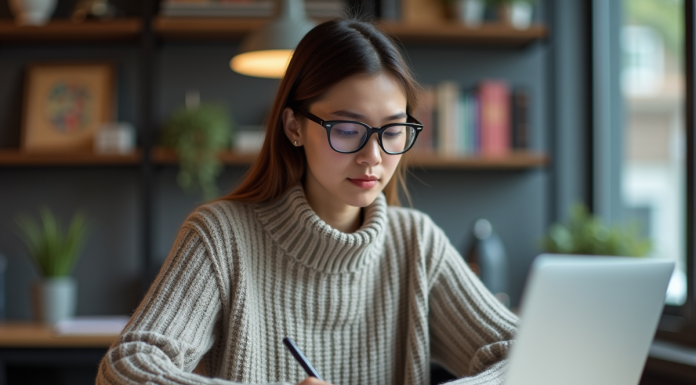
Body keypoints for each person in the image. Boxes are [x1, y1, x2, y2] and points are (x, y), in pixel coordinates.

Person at [96, 17, 517, 385]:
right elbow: (125, 370)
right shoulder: (222, 236)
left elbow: (524, 353)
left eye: (392, 131)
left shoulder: (416, 244)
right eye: (348, 129)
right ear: (294, 126)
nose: (373, 156)